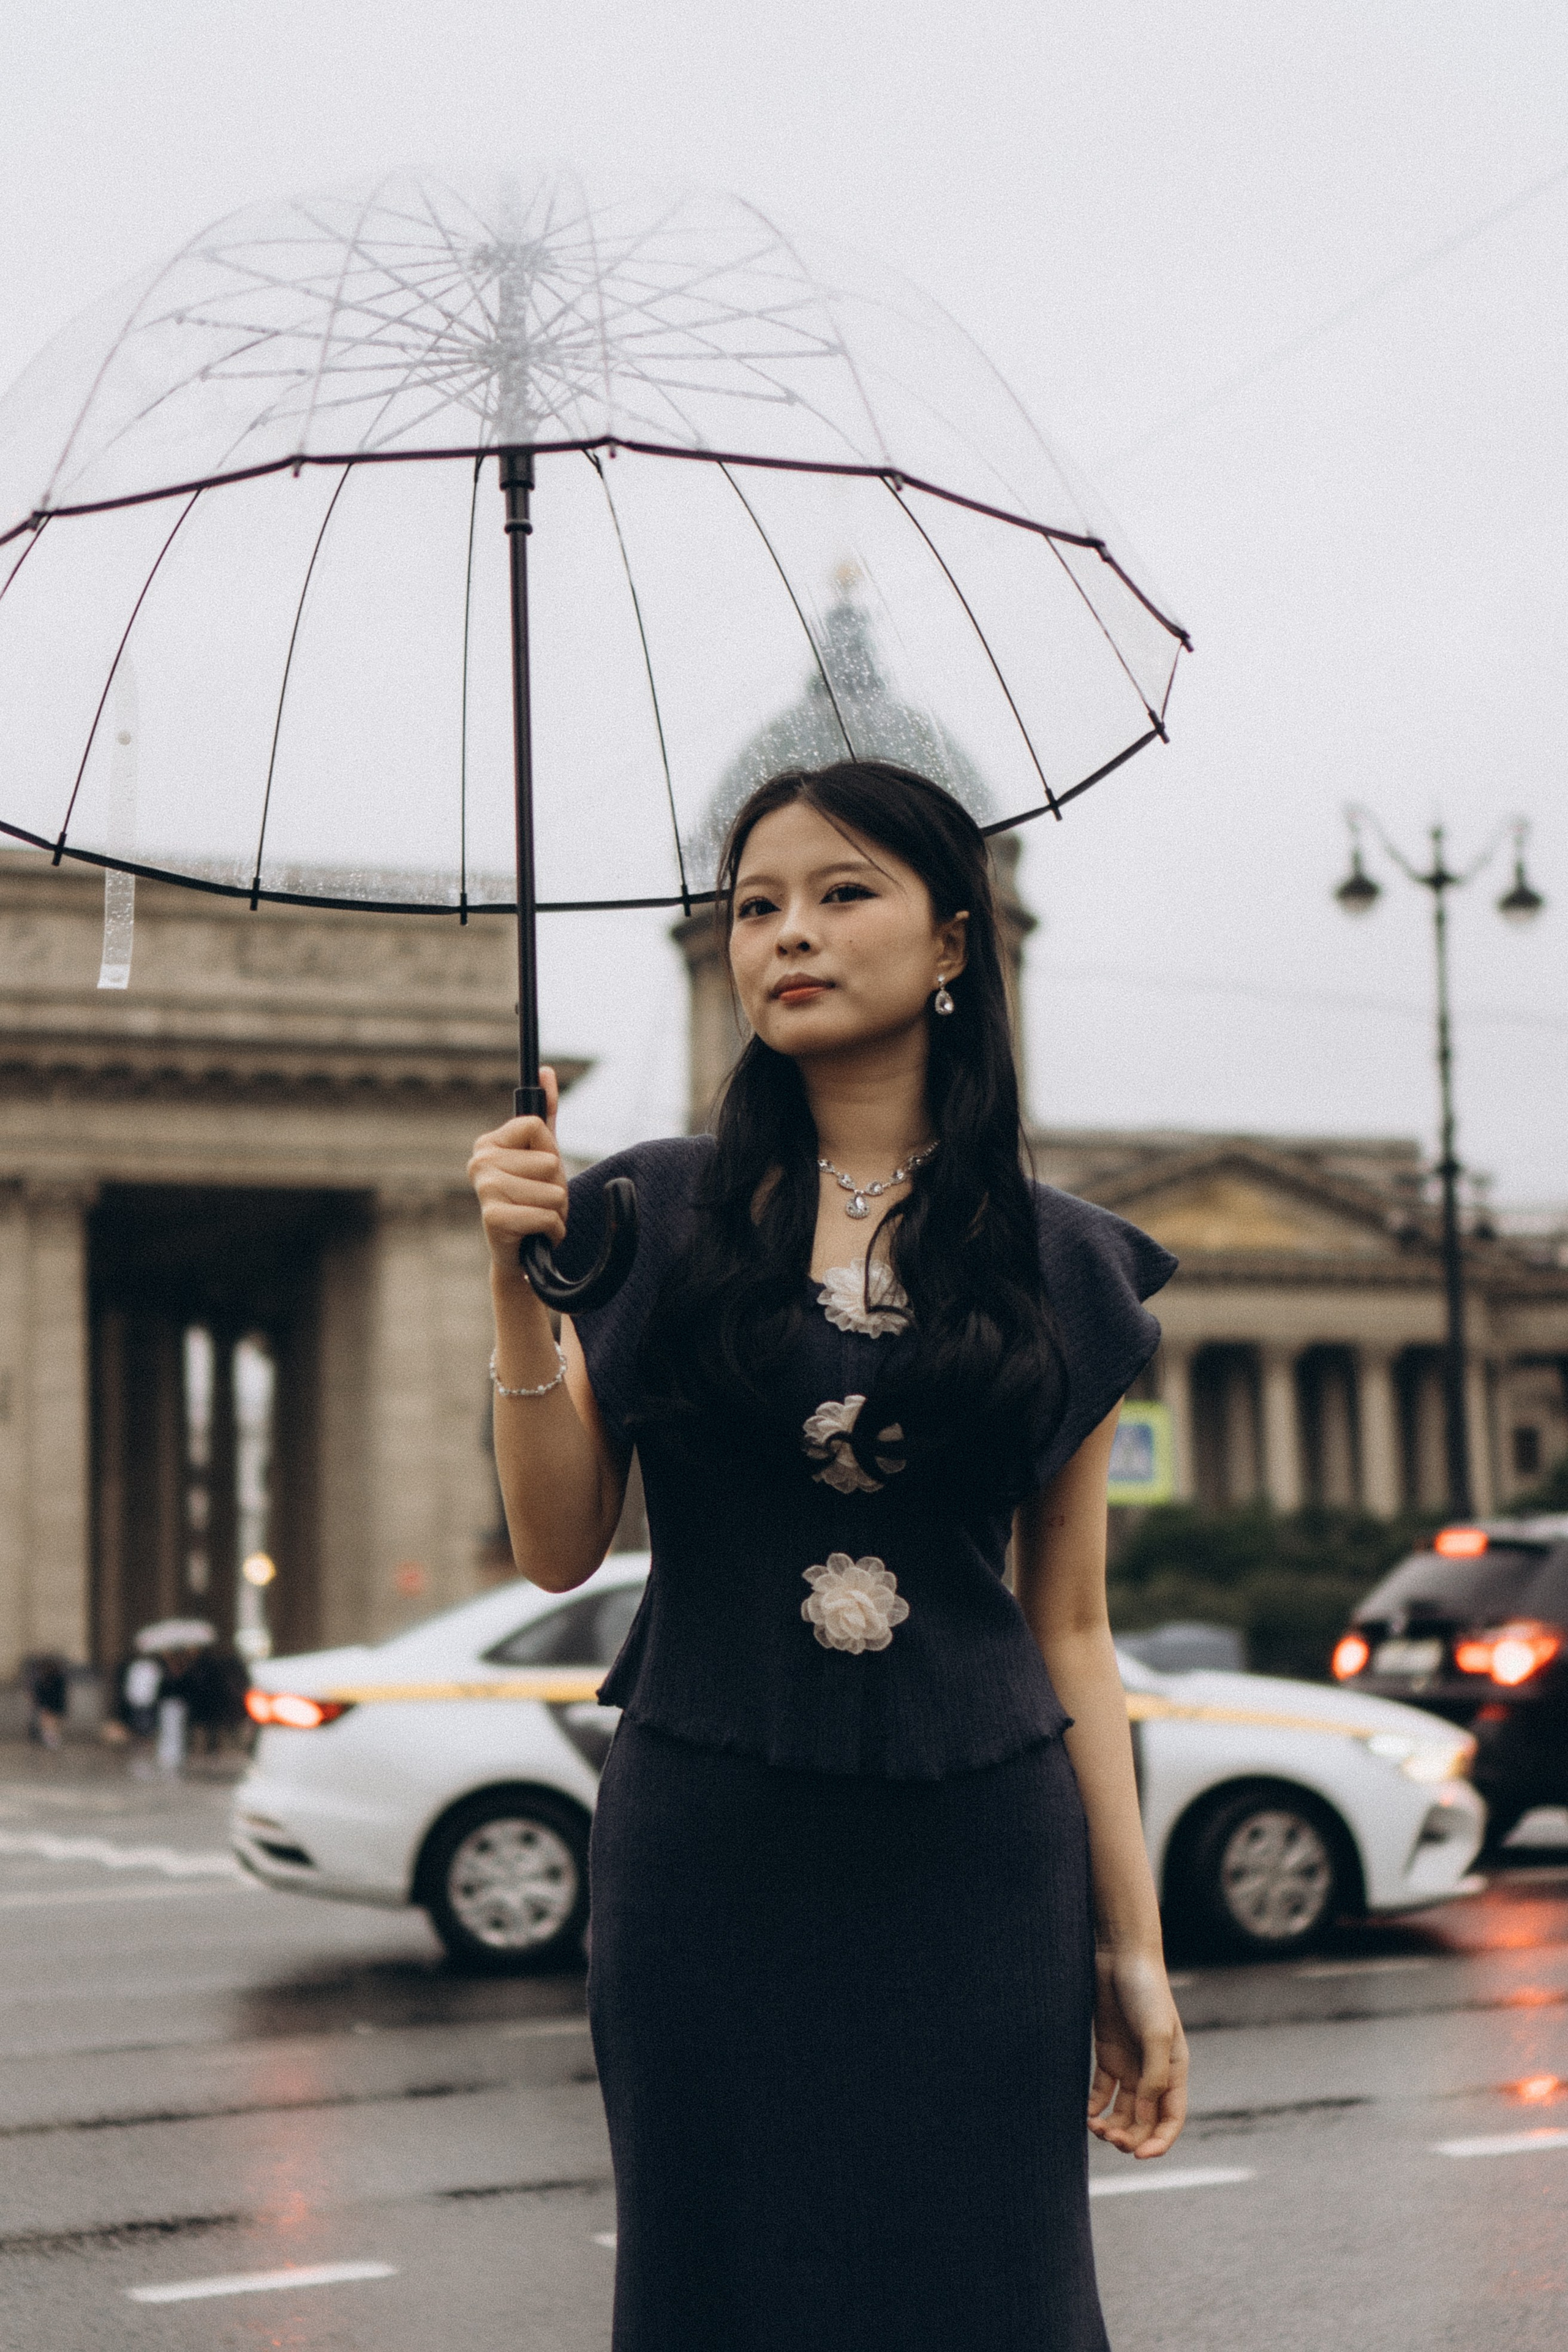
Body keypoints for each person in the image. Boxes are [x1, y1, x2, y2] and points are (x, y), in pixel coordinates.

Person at [469, 760, 1188, 2352]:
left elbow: (1072, 1629)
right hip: (708, 1851)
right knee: (720, 2294)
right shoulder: (644, 1214)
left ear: (953, 944)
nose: (788, 932)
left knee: (988, 2299)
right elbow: (556, 1546)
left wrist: (1131, 1946)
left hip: (980, 1858)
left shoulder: (1065, 1261)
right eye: (754, 906)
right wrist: (519, 1291)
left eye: (842, 892)